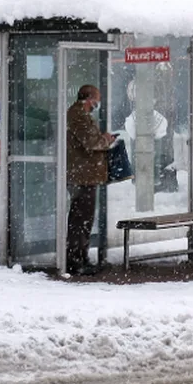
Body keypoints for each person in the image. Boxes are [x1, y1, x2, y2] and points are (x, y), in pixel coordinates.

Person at [66, 85, 115, 276]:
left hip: (86, 175)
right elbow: (90, 142)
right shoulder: (78, 115)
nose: (98, 102)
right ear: (89, 99)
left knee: (84, 218)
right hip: (82, 175)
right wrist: (106, 140)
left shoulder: (81, 115)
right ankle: (75, 259)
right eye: (97, 98)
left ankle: (81, 256)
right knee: (80, 219)